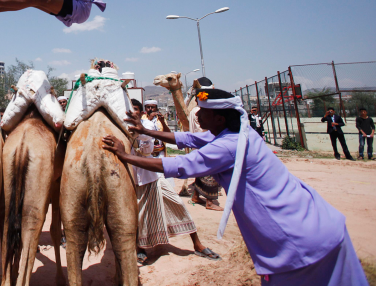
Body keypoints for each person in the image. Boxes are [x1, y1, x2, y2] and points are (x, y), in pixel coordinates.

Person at [102, 89, 368, 286]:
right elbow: (188, 137)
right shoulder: (239, 133)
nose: (197, 115)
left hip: (299, 247)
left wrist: (125, 156)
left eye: (203, 112)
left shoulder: (227, 146)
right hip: (324, 227)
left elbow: (179, 165)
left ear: (218, 118)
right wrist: (147, 131)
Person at [130, 100, 218, 266]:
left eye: (135, 110)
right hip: (133, 175)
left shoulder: (148, 124)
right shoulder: (122, 125)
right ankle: (139, 247)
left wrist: (139, 134)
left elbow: (149, 149)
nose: (132, 113)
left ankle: (197, 244)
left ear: (141, 112)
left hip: (152, 173)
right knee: (138, 214)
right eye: (130, 110)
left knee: (177, 203)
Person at [185, 77, 224, 211]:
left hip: (198, 146)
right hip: (206, 146)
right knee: (211, 174)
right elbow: (207, 131)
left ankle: (196, 196)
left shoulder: (193, 111)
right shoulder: (201, 112)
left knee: (201, 174)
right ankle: (210, 201)